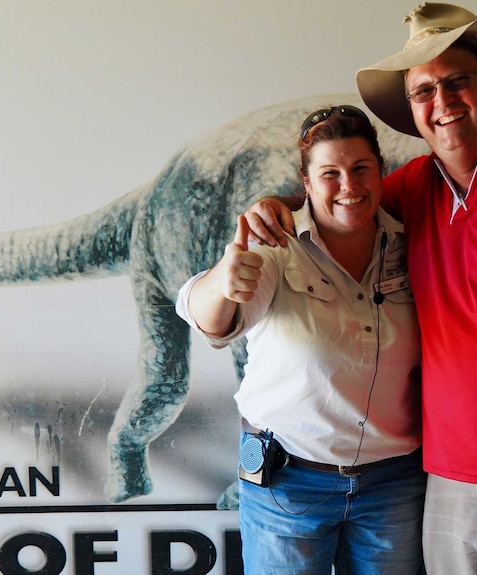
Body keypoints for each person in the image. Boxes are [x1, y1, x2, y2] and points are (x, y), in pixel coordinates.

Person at [244, 4, 477, 575]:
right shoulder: (415, 185)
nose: (442, 102)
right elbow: (345, 200)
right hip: (445, 475)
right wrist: (280, 204)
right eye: (423, 91)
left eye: (457, 82)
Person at [176, 105, 425, 574]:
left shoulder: (414, 242)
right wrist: (224, 282)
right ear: (306, 183)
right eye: (330, 173)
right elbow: (204, 315)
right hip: (287, 481)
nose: (348, 186)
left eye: (360, 169)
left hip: (393, 485)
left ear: (381, 173)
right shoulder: (274, 244)